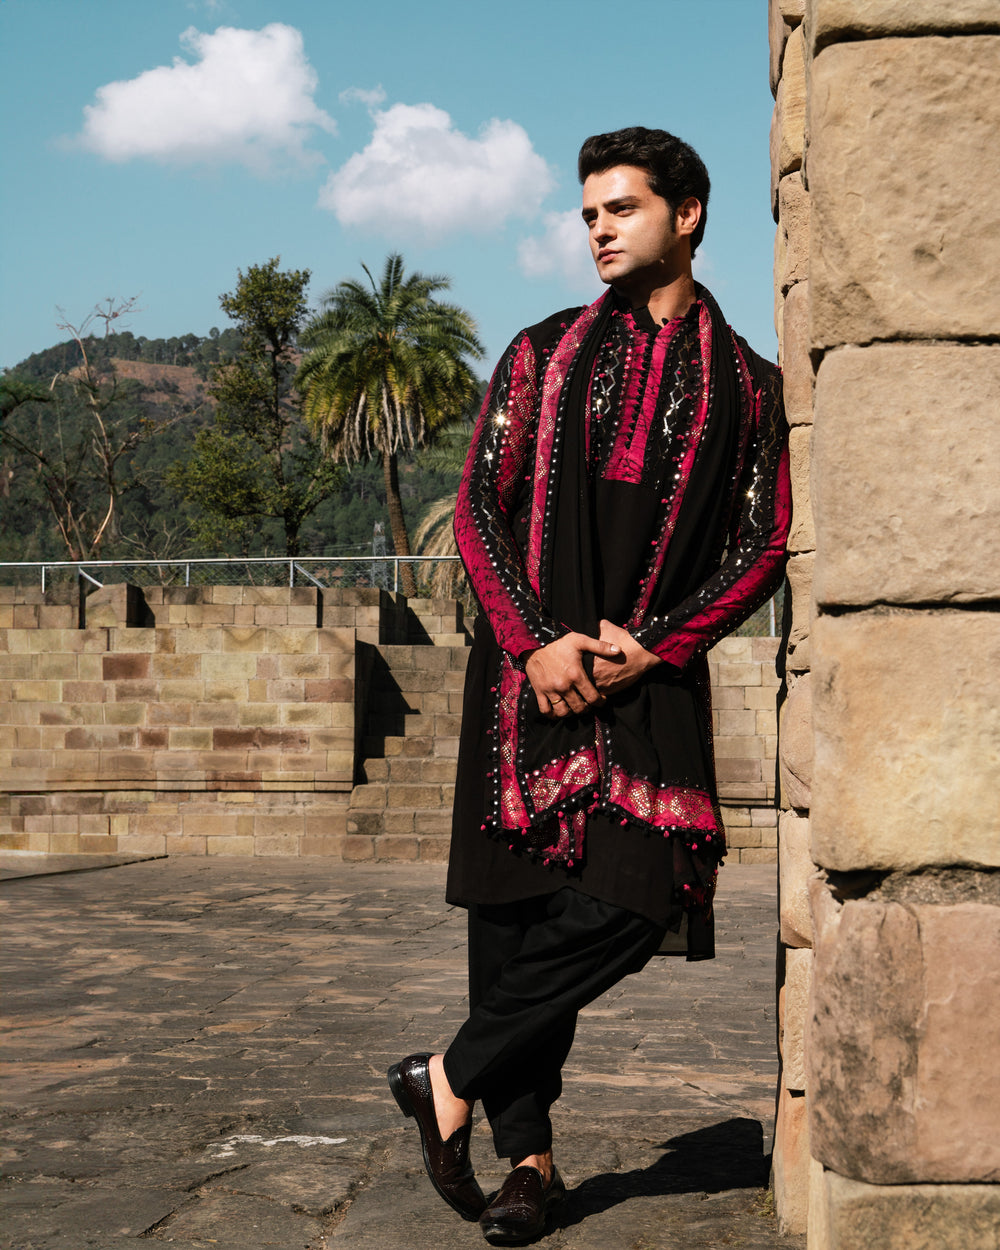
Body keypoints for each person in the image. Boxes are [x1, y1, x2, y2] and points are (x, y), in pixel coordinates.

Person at [388, 126, 791, 1245]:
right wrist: (532, 642)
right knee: (514, 917)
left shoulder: (748, 388)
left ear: (687, 214)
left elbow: (764, 541)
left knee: (638, 894)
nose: (599, 230)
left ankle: (445, 1076)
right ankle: (529, 1162)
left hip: (648, 675)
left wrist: (660, 643)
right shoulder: (539, 353)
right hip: (526, 678)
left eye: (622, 208)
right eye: (589, 215)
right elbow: (478, 506)